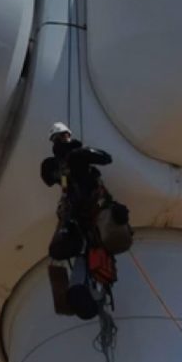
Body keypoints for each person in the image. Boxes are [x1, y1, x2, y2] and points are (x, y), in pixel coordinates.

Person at [40, 123, 130, 318]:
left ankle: (88, 290)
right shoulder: (59, 163)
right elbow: (48, 177)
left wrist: (80, 155)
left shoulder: (73, 158)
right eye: (59, 138)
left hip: (90, 210)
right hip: (80, 214)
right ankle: (82, 291)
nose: (62, 140)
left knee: (93, 245)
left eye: (63, 136)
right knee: (79, 247)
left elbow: (105, 158)